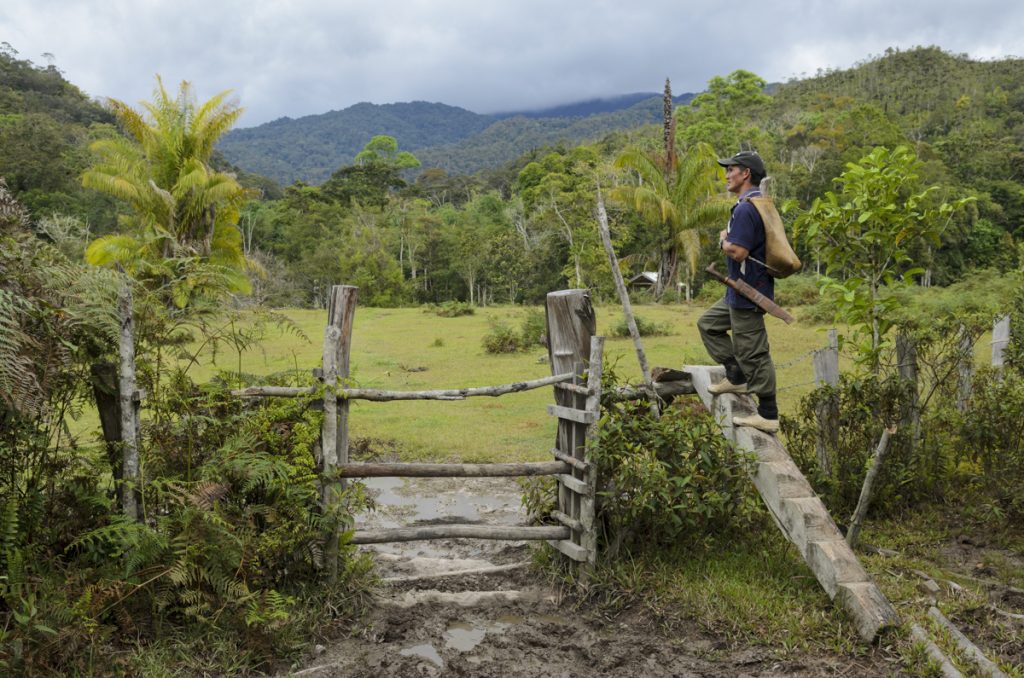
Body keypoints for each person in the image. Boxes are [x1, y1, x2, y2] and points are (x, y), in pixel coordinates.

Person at [697, 150, 778, 433]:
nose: (727, 174)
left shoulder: (746, 208)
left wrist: (722, 241)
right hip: (736, 289)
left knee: (753, 351)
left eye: (731, 169)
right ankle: (736, 375)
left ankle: (768, 414)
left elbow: (739, 251)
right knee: (708, 324)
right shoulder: (750, 203)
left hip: (748, 291)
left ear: (746, 174)